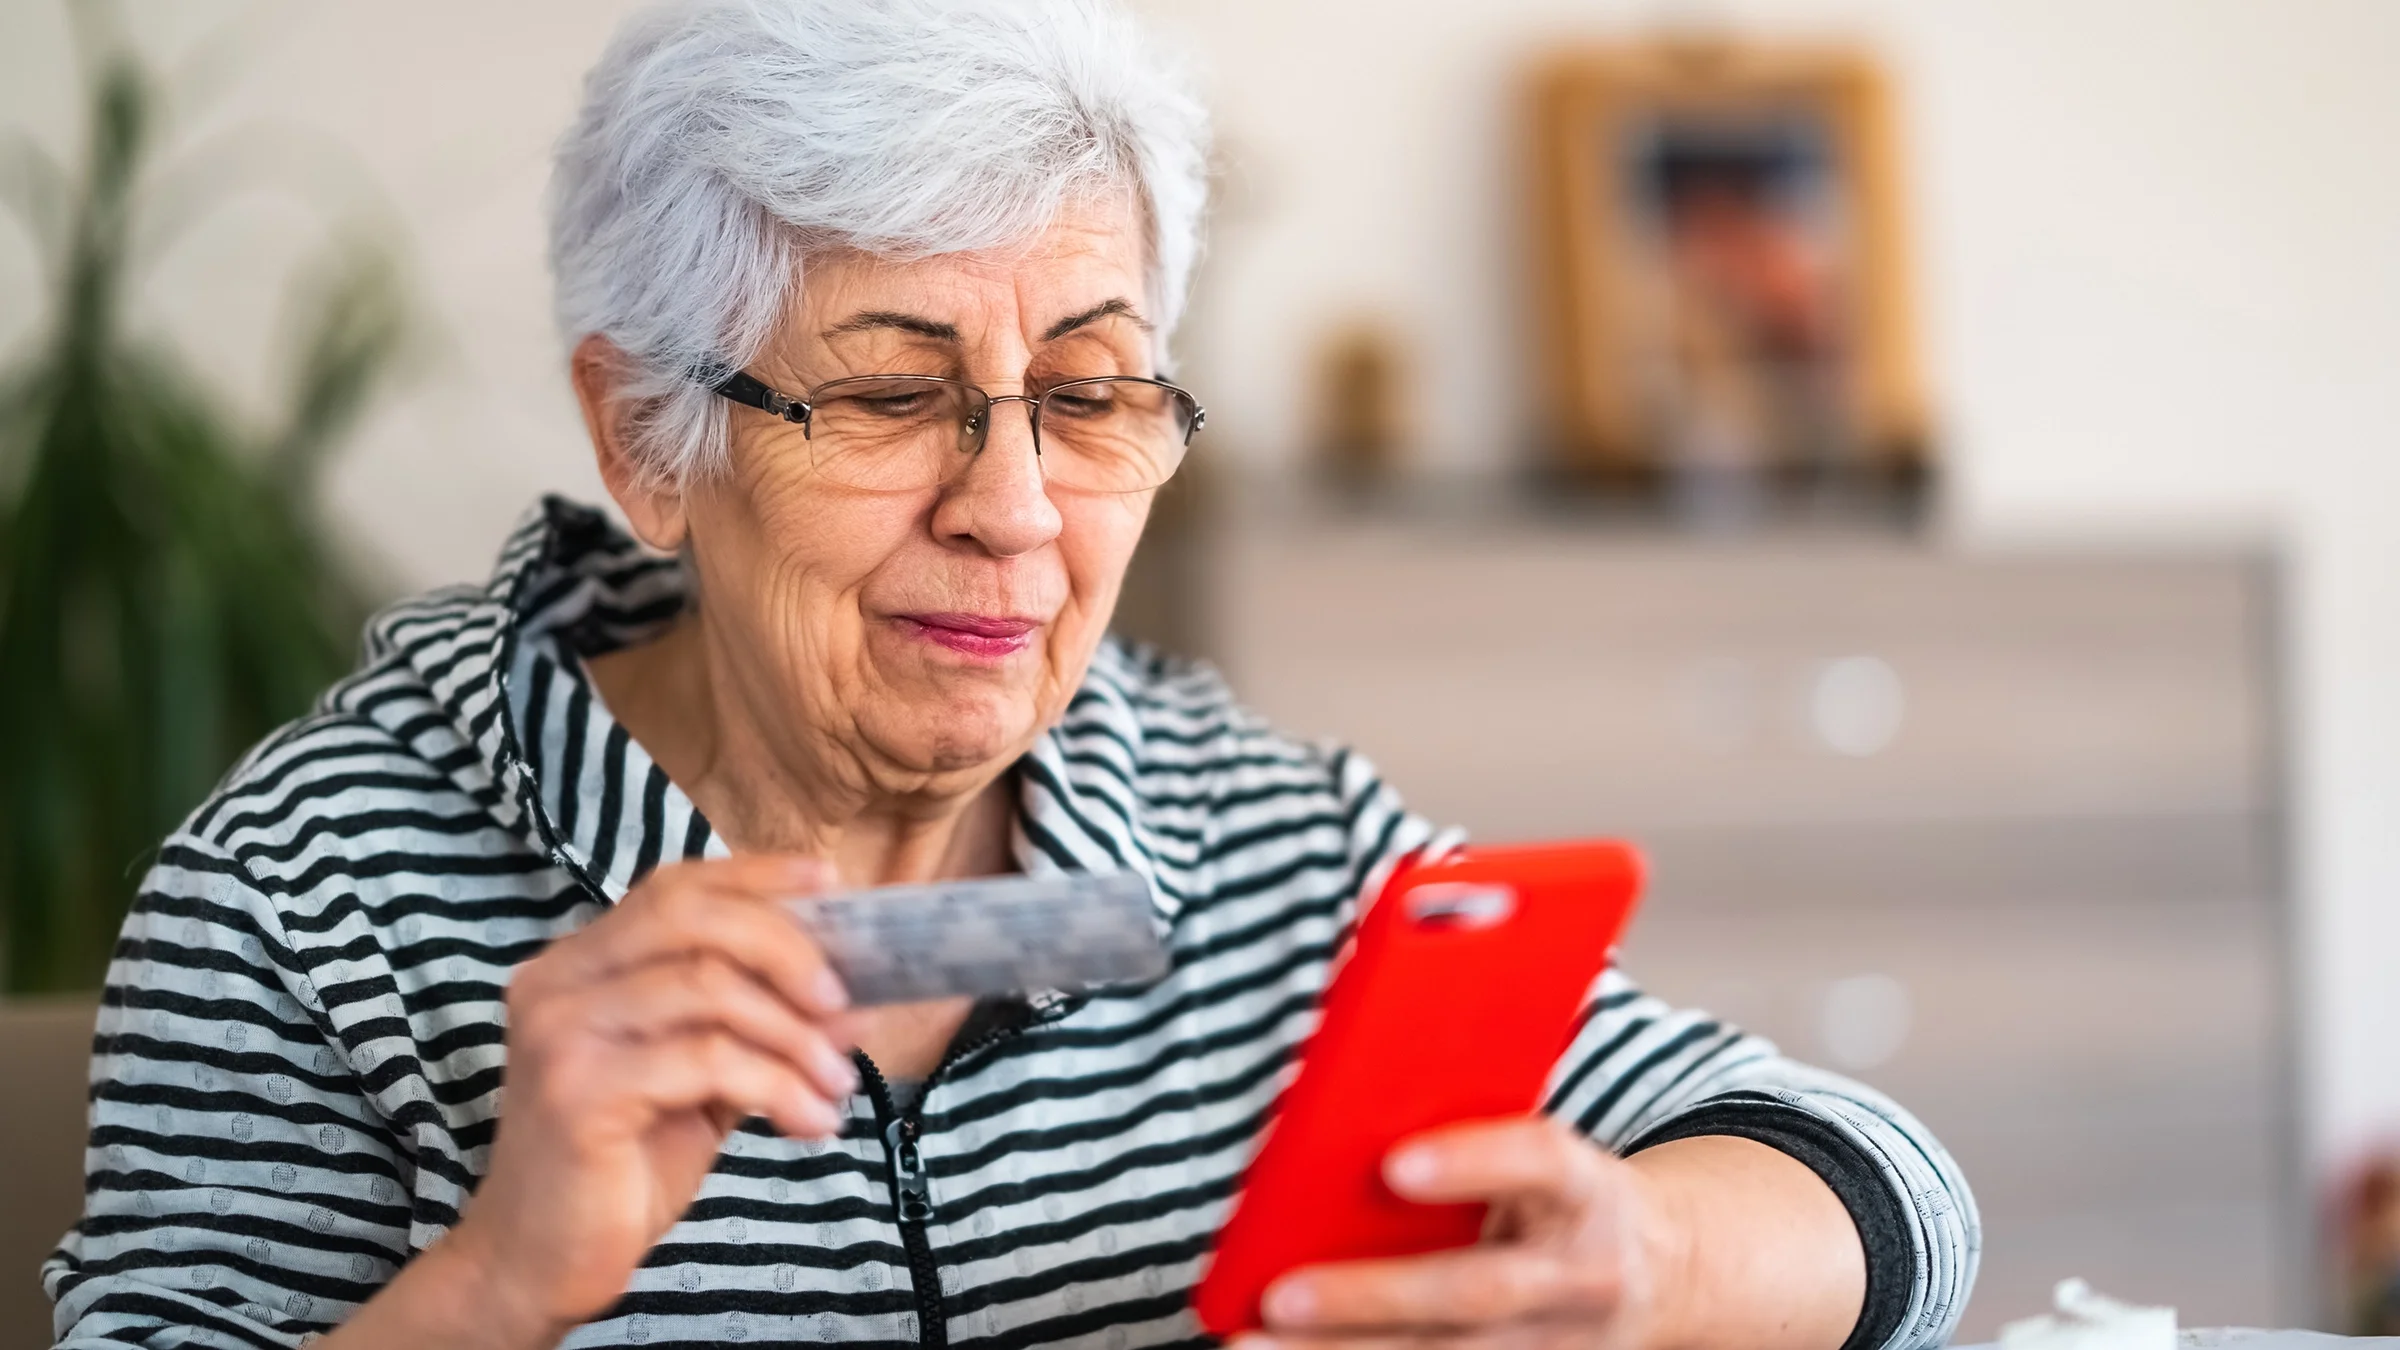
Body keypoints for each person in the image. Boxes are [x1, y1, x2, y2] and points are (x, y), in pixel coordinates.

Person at [43, 2, 1978, 1347]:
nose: (1019, 511)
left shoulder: (1257, 835)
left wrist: (1640, 1262)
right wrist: (493, 1287)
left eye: (1092, 391)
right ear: (646, 438)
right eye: (890, 393)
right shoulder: (305, 903)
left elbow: (1884, 1183)